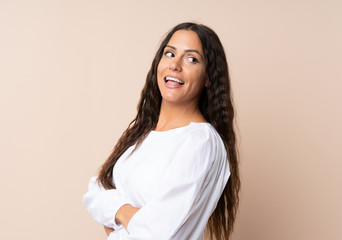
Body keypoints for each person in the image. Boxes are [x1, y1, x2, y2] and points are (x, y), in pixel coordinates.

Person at [83, 22, 240, 240]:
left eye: (191, 59)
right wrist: (126, 214)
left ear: (208, 78)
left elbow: (156, 235)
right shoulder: (143, 133)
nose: (175, 65)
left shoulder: (200, 142)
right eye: (169, 53)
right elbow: (96, 190)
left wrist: (114, 218)